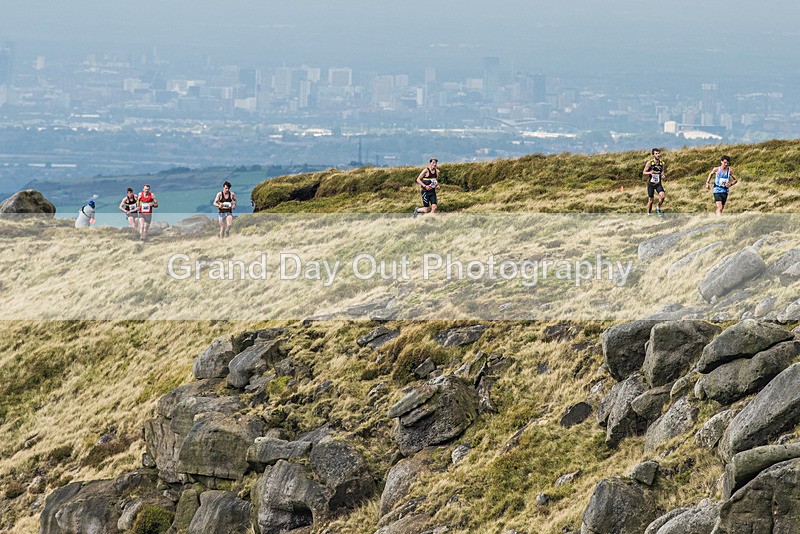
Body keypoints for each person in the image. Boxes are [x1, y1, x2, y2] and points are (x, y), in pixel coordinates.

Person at [642, 148, 666, 215]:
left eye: (658, 153)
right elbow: (644, 172)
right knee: (651, 201)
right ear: (653, 155)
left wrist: (663, 176)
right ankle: (648, 214)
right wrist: (650, 172)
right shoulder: (649, 163)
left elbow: (662, 172)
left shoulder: (662, 163)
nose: (658, 155)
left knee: (663, 196)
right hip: (650, 184)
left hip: (658, 183)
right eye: (656, 153)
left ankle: (658, 207)